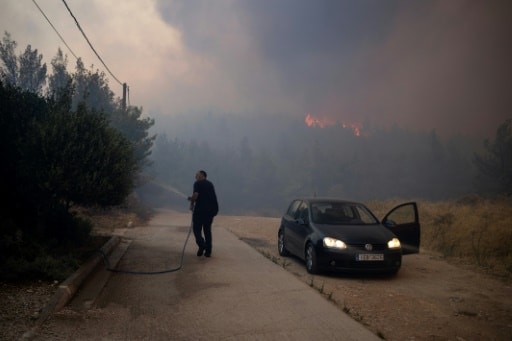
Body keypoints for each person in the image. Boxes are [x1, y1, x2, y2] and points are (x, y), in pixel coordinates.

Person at [187, 170, 219, 257]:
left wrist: (191, 203)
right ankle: (208, 252)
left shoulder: (197, 183)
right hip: (210, 211)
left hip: (200, 211)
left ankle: (202, 245)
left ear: (202, 175)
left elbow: (196, 195)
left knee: (196, 229)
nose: (195, 176)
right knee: (207, 230)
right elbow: (206, 196)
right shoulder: (210, 184)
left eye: (196, 175)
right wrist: (192, 199)